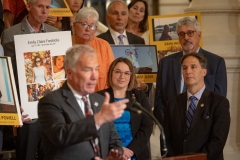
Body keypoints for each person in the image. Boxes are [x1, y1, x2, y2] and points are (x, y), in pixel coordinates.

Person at [38, 44, 129, 160]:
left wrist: (115, 154)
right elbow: (60, 136)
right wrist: (98, 119)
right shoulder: (50, 102)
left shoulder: (100, 100)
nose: (95, 76)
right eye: (87, 70)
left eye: (96, 69)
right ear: (70, 73)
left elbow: (114, 140)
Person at [1, 0, 58, 159]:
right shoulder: (11, 34)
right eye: (40, 6)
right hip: (26, 112)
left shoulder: (55, 33)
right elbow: (8, 75)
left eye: (47, 8)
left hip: (51, 112)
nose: (44, 11)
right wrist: (14, 109)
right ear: (28, 6)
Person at [154, 17, 227, 124]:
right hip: (172, 129)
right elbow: (159, 100)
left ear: (199, 35)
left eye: (190, 33)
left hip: (204, 129)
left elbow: (220, 101)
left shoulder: (216, 62)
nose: (186, 37)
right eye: (182, 34)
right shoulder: (166, 63)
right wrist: (168, 125)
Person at [164, 53, 230, 160]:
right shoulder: (172, 103)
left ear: (204, 72)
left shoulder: (219, 103)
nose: (188, 71)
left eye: (193, 67)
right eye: (184, 68)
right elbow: (166, 138)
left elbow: (217, 141)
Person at [97, 57, 153, 160]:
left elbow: (147, 125)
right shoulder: (99, 97)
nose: (122, 76)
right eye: (118, 72)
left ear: (131, 76)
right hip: (109, 154)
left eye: (127, 73)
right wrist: (118, 149)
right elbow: (96, 129)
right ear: (111, 73)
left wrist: (131, 151)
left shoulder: (139, 96)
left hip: (136, 153)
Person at [97, 0, 149, 95]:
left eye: (123, 14)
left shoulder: (139, 41)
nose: (120, 18)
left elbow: (146, 71)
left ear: (127, 17)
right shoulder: (99, 41)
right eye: (115, 13)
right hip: (107, 94)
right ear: (107, 18)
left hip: (134, 95)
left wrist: (144, 86)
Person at [72, 7, 115, 91]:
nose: (88, 29)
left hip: (99, 97)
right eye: (84, 24)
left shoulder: (104, 45)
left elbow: (112, 75)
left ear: (96, 30)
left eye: (92, 26)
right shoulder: (64, 44)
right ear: (74, 26)